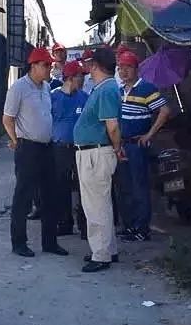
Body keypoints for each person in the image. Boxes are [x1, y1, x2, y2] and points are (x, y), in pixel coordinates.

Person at [3, 47, 65, 257]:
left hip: (47, 147)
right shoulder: (19, 88)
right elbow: (7, 119)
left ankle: (50, 242)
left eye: (50, 65)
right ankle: (19, 243)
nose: (50, 68)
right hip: (28, 147)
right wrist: (15, 140)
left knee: (50, 196)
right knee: (24, 196)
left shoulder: (46, 88)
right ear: (34, 66)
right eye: (46, 65)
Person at [74, 46, 126, 273]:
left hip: (95, 153)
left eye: (89, 63)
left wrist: (117, 148)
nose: (86, 67)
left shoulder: (106, 90)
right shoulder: (104, 88)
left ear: (95, 65)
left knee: (95, 205)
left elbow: (112, 126)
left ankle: (101, 254)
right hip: (93, 151)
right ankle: (107, 249)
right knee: (101, 203)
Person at [116, 50, 171, 242]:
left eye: (128, 67)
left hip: (137, 145)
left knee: (139, 187)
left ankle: (141, 229)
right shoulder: (121, 90)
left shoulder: (147, 88)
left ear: (136, 69)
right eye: (121, 67)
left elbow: (164, 111)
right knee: (126, 187)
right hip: (123, 145)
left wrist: (149, 134)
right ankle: (129, 226)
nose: (124, 71)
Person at [50, 60, 89, 237]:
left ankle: (85, 225)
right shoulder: (53, 97)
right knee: (61, 186)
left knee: (83, 187)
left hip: (81, 148)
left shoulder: (84, 97)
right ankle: (65, 223)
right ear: (70, 78)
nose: (83, 79)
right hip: (60, 148)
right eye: (80, 76)